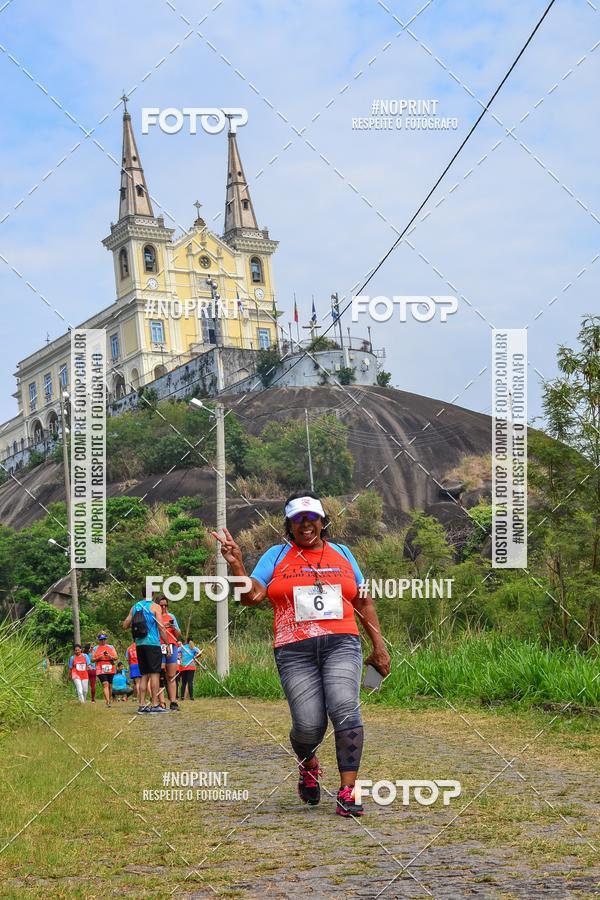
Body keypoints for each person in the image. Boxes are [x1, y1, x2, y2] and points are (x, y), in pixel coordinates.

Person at [213, 491, 391, 817]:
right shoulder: (276, 555)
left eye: (312, 518)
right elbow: (251, 598)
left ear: (323, 522)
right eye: (298, 519)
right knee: (308, 725)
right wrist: (237, 565)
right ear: (289, 524)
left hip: (342, 642)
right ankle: (307, 764)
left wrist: (379, 647)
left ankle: (348, 791)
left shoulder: (342, 553)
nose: (306, 524)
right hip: (294, 651)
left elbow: (363, 601)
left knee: (344, 707)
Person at [122, 589, 171, 714]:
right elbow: (161, 627)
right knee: (154, 674)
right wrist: (167, 643)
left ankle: (142, 705)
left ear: (142, 593)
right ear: (152, 594)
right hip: (153, 644)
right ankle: (154, 704)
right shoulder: (155, 607)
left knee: (144, 675)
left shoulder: (135, 607)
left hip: (139, 644)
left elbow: (125, 625)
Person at [158, 596, 182, 711]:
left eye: (165, 605)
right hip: (158, 646)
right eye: (161, 605)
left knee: (171, 675)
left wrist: (173, 627)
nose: (163, 607)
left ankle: (173, 701)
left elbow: (178, 635)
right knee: (160, 675)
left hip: (172, 645)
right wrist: (163, 626)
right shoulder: (154, 616)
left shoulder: (171, 616)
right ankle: (161, 702)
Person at [92, 634, 118, 707]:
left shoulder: (111, 647)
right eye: (101, 639)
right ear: (99, 640)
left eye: (104, 639)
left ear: (106, 639)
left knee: (110, 685)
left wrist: (110, 656)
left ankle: (109, 699)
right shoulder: (95, 648)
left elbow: (116, 657)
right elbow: (92, 659)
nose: (103, 641)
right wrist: (99, 657)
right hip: (100, 667)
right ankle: (107, 701)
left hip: (110, 666)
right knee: (105, 683)